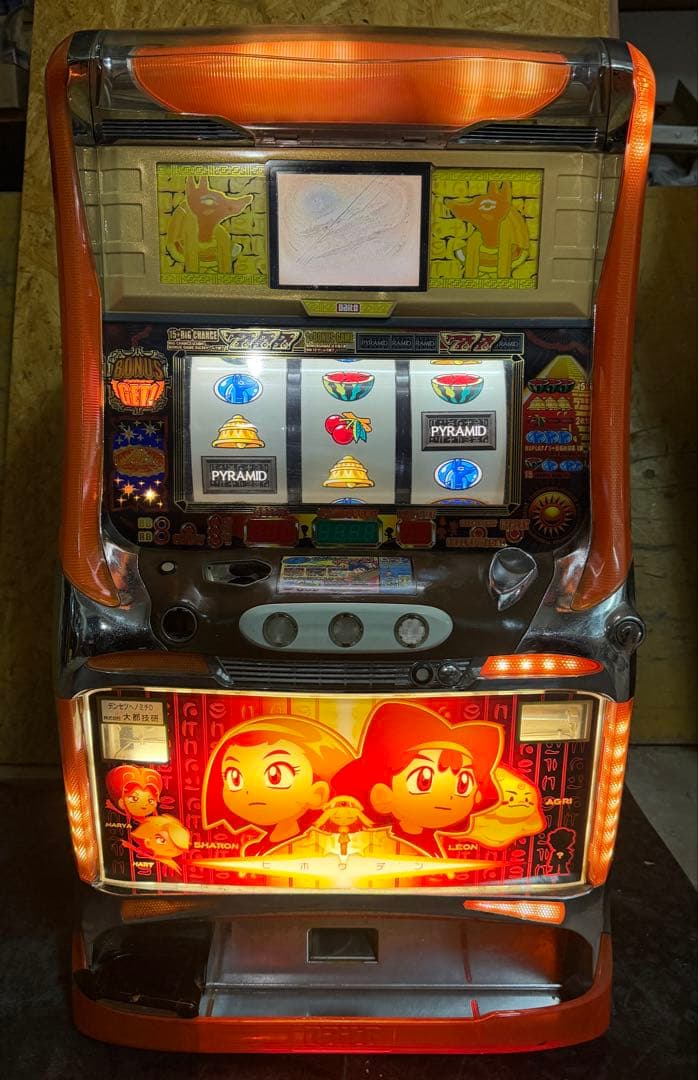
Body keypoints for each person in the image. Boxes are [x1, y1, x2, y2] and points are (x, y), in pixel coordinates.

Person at [332, 700, 502, 858]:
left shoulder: (430, 841)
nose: (448, 796)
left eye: (463, 784)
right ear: (382, 794)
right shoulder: (387, 841)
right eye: (423, 782)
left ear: (477, 796)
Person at [202, 715, 354, 855]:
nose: (250, 791)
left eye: (275, 777)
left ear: (317, 794)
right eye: (234, 778)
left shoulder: (306, 845)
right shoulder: (263, 845)